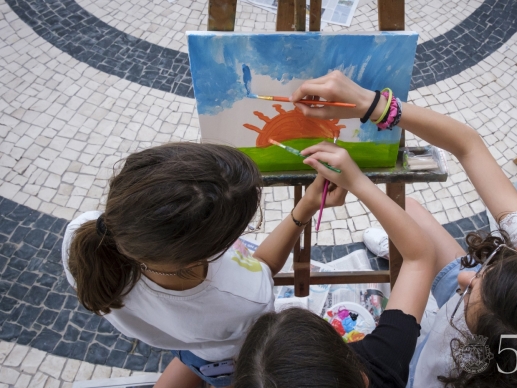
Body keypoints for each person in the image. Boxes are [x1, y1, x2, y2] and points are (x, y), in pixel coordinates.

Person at [238, 71, 517, 387]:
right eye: (492, 269)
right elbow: (467, 144)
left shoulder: (440, 373)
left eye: (474, 288)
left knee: (409, 228)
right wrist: (370, 104)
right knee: (406, 210)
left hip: (440, 356)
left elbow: (423, 262)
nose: (465, 276)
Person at [62, 142, 346, 388]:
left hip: (182, 339)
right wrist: (306, 207)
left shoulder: (82, 236)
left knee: (192, 356)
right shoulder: (242, 299)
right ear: (211, 250)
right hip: (223, 356)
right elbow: (264, 265)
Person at [234, 88, 439, 388]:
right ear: (362, 377)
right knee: (413, 211)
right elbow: (419, 257)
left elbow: (261, 266)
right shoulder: (381, 365)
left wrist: (305, 206)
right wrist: (357, 181)